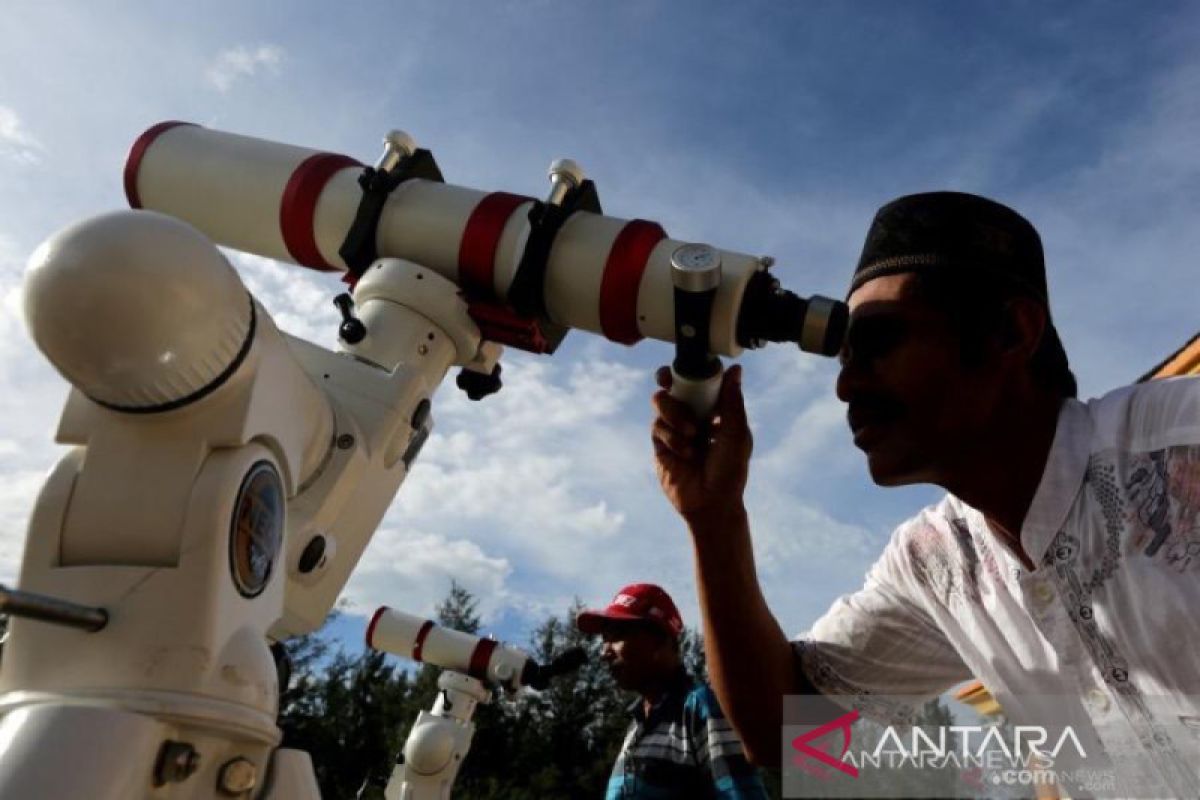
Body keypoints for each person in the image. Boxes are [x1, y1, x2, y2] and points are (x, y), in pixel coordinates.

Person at [650, 191, 1200, 794]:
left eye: (879, 341)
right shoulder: (937, 562)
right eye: (844, 356)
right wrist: (715, 517)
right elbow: (781, 728)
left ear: (1012, 332)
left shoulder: (1181, 445)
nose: (846, 386)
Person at [576, 583, 769, 799]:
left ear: (660, 639)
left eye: (617, 635)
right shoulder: (637, 723)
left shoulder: (701, 707)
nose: (605, 652)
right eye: (604, 639)